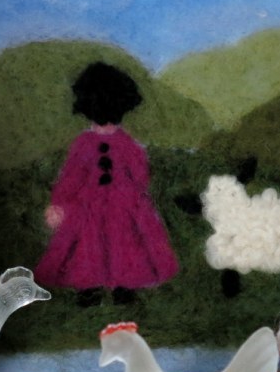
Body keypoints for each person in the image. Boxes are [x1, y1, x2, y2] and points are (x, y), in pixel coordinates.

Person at [34, 62, 179, 303]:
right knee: (120, 244)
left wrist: (60, 202)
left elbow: (71, 178)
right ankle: (118, 287)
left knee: (95, 246)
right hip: (121, 207)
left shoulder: (85, 144)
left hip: (92, 207)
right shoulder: (127, 144)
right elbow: (140, 175)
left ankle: (95, 289)